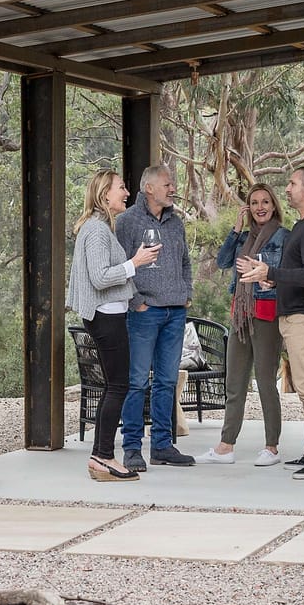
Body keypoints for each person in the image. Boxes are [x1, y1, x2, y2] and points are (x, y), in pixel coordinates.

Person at [238, 165, 304, 479]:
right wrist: (273, 281)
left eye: (293, 183)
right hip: (295, 317)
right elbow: (299, 275)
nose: (288, 188)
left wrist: (270, 272)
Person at [66, 169, 161, 481]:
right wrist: (135, 262)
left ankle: (101, 454)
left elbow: (108, 276)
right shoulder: (95, 230)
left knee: (115, 385)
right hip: (105, 317)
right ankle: (103, 456)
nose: (126, 192)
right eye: (121, 187)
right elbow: (100, 277)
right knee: (118, 385)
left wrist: (135, 298)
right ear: (104, 194)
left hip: (111, 314)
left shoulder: (102, 228)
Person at [113, 164, 196, 469]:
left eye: (172, 184)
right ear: (149, 188)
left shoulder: (176, 222)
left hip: (175, 312)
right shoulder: (127, 221)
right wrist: (136, 302)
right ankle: (132, 447)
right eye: (167, 184)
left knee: (167, 381)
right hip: (145, 313)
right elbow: (119, 265)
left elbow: (186, 260)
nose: (172, 188)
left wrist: (187, 293)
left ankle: (162, 445)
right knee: (136, 382)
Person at [197, 183, 286, 466]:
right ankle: (226, 446)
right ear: (249, 208)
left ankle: (271, 446)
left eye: (265, 202)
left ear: (274, 206)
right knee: (234, 383)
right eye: (255, 202)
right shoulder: (244, 237)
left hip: (266, 315)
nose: (260, 207)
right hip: (240, 316)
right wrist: (236, 229)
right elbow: (223, 262)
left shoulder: (284, 236)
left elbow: (281, 273)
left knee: (265, 382)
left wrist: (262, 272)